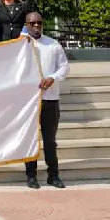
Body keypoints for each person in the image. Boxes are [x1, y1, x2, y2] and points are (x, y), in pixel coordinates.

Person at [23, 12, 69, 190]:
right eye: (32, 23)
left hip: (50, 100)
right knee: (31, 140)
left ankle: (53, 175)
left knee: (50, 140)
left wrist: (53, 78)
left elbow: (65, 66)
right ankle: (31, 176)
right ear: (26, 25)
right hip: (29, 101)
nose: (36, 26)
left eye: (39, 23)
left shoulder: (53, 44)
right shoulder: (20, 46)